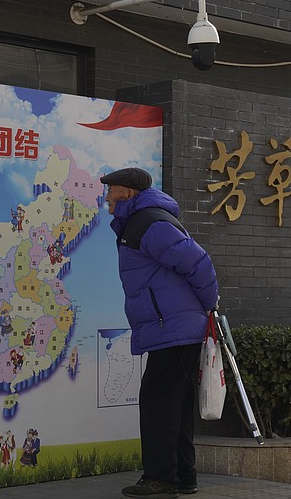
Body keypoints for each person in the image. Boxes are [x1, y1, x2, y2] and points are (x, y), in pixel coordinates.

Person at [100, 167, 219, 498]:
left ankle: (162, 479)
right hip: (175, 328)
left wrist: (210, 304)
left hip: (175, 328)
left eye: (111, 190)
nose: (107, 196)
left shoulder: (149, 223)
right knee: (175, 405)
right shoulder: (142, 221)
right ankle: (183, 476)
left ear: (128, 193)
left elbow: (199, 262)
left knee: (158, 402)